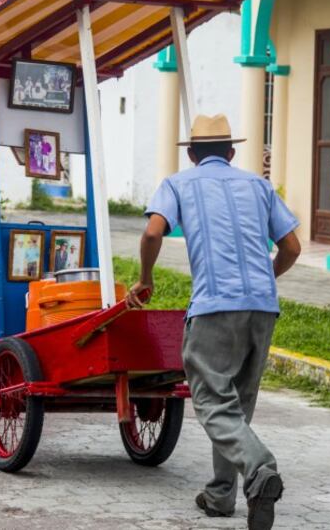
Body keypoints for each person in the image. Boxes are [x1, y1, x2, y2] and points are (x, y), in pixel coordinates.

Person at [126, 113, 301, 530]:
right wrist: (263, 280)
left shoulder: (177, 184)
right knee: (237, 405)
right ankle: (221, 496)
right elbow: (292, 247)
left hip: (214, 306)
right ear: (231, 153)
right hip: (263, 307)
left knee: (210, 402)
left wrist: (146, 279)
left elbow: (152, 234)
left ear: (191, 153)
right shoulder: (259, 186)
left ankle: (259, 469)